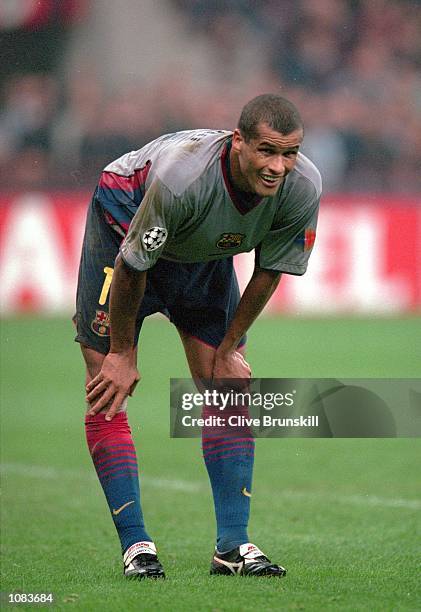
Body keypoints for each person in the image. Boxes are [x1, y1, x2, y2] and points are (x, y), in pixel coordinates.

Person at [75, 94, 321, 579]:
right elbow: (132, 264)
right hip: (122, 222)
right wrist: (122, 352)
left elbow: (270, 270)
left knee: (229, 390)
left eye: (289, 153)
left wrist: (230, 348)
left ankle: (233, 546)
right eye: (267, 151)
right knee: (107, 386)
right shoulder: (182, 179)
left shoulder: (303, 188)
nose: (278, 167)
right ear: (238, 143)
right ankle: (137, 546)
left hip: (202, 247)